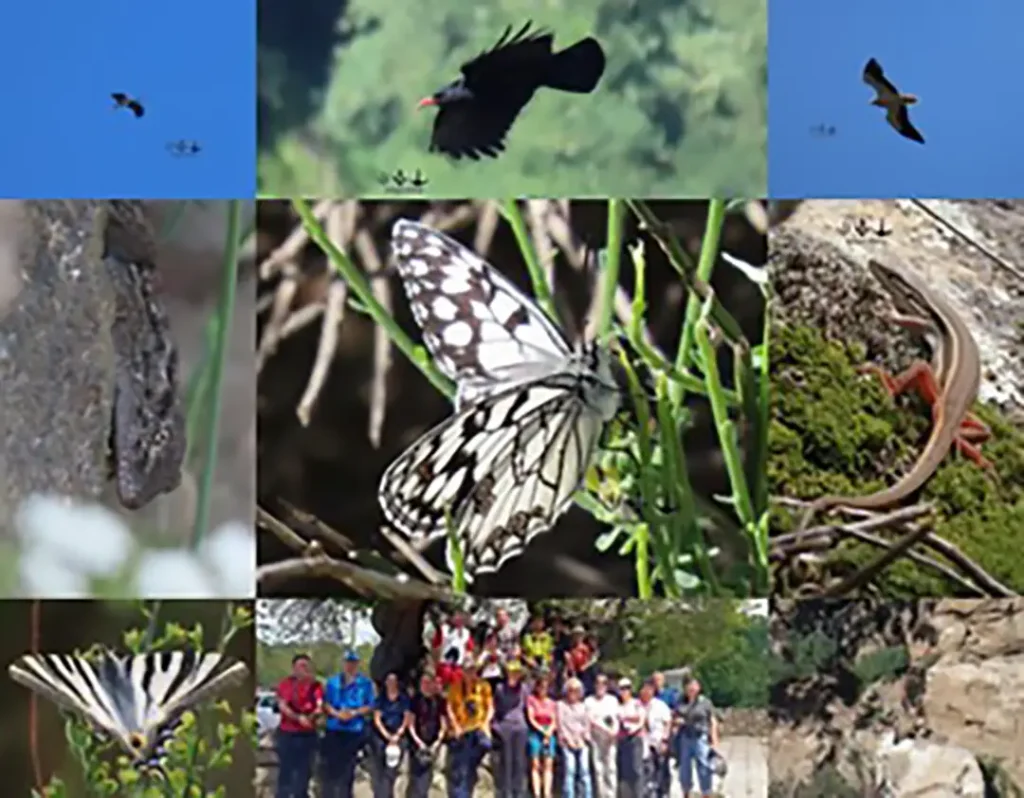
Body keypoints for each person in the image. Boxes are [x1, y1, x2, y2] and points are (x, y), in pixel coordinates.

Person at [322, 650, 376, 798]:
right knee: (331, 769)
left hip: (354, 730)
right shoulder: (333, 682)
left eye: (353, 663)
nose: (350, 666)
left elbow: (370, 705)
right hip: (334, 728)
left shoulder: (365, 684)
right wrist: (337, 713)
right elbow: (326, 704)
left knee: (349, 770)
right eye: (348, 662)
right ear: (343, 663)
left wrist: (354, 712)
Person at [275, 654, 323, 798]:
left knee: (305, 770)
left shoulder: (315, 685)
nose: (303, 669)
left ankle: (301, 794)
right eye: (300, 666)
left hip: (307, 734)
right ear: (294, 668)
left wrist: (313, 716)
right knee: (286, 770)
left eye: (306, 666)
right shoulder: (286, 684)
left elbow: (319, 706)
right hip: (288, 733)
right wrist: (298, 718)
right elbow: (283, 705)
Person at [445, 659, 494, 798]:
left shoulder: (483, 686)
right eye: (467, 670)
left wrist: (486, 723)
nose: (470, 673)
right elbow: (450, 708)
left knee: (485, 745)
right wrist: (455, 725)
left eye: (473, 670)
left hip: (478, 727)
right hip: (463, 729)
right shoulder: (455, 687)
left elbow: (490, 707)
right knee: (462, 764)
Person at [675, 678, 720, 798]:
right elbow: (674, 717)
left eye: (694, 686)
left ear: (699, 688)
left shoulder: (705, 702)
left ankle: (706, 794)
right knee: (684, 769)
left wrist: (714, 740)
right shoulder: (680, 701)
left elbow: (712, 721)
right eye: (689, 686)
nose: (692, 688)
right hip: (685, 737)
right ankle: (686, 793)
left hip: (701, 738)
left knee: (704, 767)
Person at [492, 660, 530, 798]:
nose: (514, 675)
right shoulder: (500, 688)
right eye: (511, 672)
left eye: (516, 673)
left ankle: (518, 792)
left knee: (519, 761)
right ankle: (506, 792)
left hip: (520, 727)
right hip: (505, 726)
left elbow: (526, 708)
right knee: (506, 761)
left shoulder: (524, 688)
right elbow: (496, 708)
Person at [407, 672, 447, 798]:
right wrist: (418, 742)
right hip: (417, 743)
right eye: (423, 683)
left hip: (433, 743)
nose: (426, 686)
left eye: (428, 683)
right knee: (416, 776)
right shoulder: (415, 700)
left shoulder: (438, 700)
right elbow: (410, 723)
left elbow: (443, 723)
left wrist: (437, 741)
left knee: (427, 776)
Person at [372, 672, 411, 798]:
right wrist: (387, 736)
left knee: (393, 770)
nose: (391, 684)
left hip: (398, 734)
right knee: (380, 770)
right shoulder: (381, 699)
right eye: (389, 681)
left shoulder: (403, 699)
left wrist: (397, 734)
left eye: (393, 681)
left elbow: (406, 717)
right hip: (383, 735)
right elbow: (377, 719)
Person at [583, 673, 619, 798]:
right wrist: (603, 729)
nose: (600, 686)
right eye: (598, 683)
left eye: (603, 683)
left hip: (610, 738)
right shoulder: (588, 701)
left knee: (611, 768)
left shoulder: (612, 700)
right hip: (596, 737)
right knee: (598, 768)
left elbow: (615, 718)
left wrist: (614, 732)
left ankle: (612, 794)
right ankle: (601, 794)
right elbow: (590, 720)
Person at [556, 678, 592, 798]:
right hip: (567, 742)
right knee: (570, 771)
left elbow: (586, 725)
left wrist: (582, 739)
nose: (573, 693)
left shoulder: (584, 706)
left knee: (584, 771)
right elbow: (561, 724)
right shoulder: (561, 705)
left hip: (582, 742)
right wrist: (569, 740)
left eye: (576, 690)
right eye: (571, 690)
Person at [526, 669, 557, 798]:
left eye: (545, 687)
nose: (543, 689)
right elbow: (531, 717)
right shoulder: (531, 700)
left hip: (549, 732)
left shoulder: (552, 702)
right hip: (535, 731)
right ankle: (537, 793)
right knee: (535, 763)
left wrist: (549, 731)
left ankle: (547, 792)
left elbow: (555, 720)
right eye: (541, 686)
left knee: (548, 763)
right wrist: (542, 730)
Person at [639, 679, 672, 798]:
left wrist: (665, 740)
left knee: (662, 771)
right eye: (644, 689)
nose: (647, 692)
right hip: (643, 744)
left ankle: (664, 793)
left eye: (649, 689)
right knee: (647, 772)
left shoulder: (660, 705)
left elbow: (668, 722)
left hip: (658, 741)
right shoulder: (637, 705)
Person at [616, 678, 646, 798]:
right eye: (622, 689)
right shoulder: (618, 706)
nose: (624, 691)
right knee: (625, 771)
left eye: (627, 688)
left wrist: (629, 723)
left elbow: (641, 719)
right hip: (622, 740)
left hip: (635, 738)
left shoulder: (636, 703)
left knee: (636, 770)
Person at [434, 610, 475, 688]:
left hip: (457, 668)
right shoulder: (443, 629)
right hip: (443, 666)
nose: (459, 619)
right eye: (456, 616)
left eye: (461, 617)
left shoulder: (466, 633)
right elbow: (435, 647)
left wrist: (469, 661)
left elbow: (470, 650)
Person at [563, 625, 597, 695]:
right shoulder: (570, 647)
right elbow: (568, 661)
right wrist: (566, 671)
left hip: (583, 673)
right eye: (576, 635)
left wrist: (585, 666)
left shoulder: (585, 648)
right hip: (573, 672)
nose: (578, 637)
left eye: (580, 635)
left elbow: (589, 660)